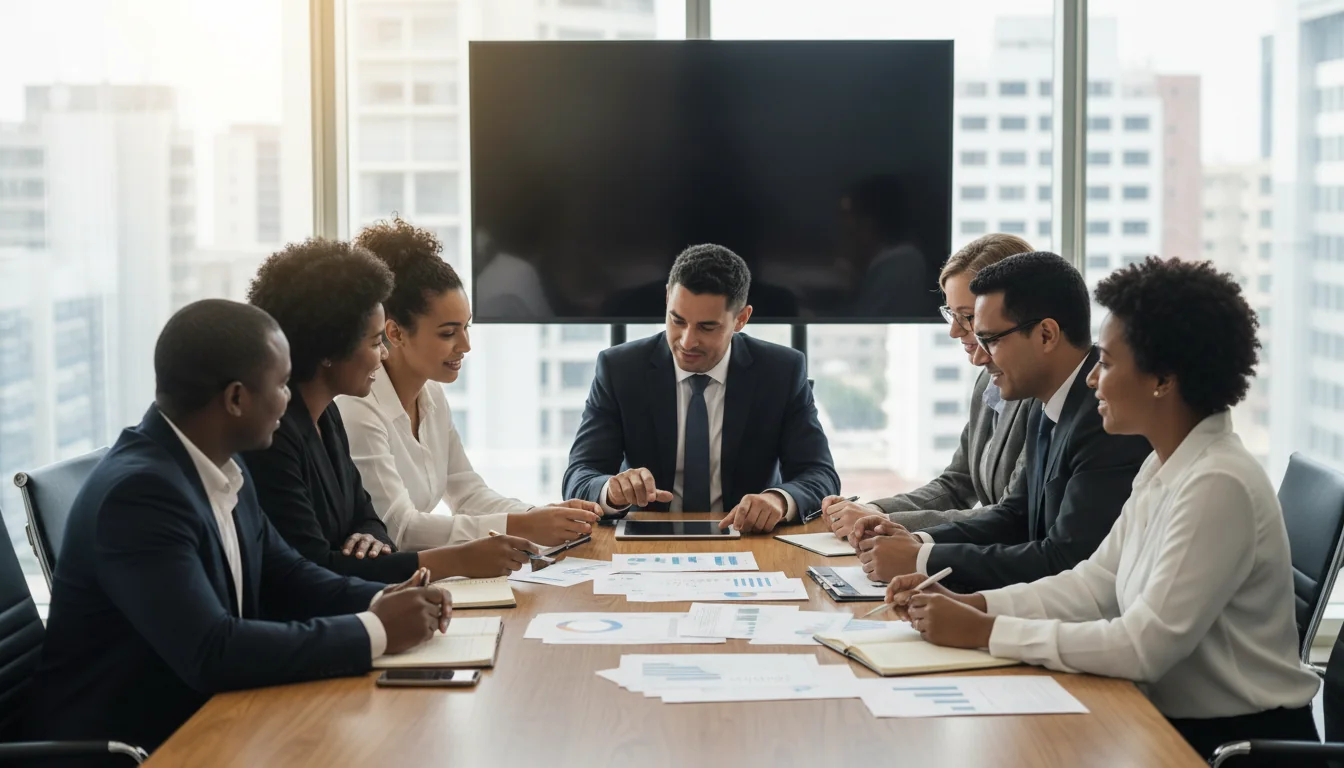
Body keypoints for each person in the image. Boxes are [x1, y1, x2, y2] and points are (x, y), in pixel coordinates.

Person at [885, 257, 1322, 763]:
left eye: (1108, 363)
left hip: (1228, 748)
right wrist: (979, 605)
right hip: (1165, 722)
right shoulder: (1166, 466)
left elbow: (1144, 647)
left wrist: (987, 632)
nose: (1092, 379)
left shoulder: (1217, 483)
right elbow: (1095, 583)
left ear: (1162, 378)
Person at [27, 300, 450, 760]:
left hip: (213, 718)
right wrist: (376, 631)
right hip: (139, 745)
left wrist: (377, 599)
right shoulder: (141, 495)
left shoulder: (221, 465)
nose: (289, 398)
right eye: (281, 385)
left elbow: (286, 573)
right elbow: (213, 651)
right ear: (235, 398)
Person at [849, 252, 1151, 591]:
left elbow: (1066, 560)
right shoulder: (1045, 401)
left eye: (990, 340)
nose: (979, 356)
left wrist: (921, 560)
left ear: (1046, 335)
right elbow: (1015, 516)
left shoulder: (1106, 420)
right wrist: (916, 539)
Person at [243, 238, 534, 582]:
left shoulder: (327, 416)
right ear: (327, 348)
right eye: (374, 341)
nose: (382, 354)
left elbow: (370, 520)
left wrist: (372, 535)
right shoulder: (284, 435)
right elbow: (315, 567)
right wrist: (455, 561)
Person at [337, 218, 601, 550]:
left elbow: (467, 493)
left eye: (466, 327)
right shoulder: (357, 407)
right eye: (448, 333)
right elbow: (400, 529)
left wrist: (540, 515)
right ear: (395, 333)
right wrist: (523, 525)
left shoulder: (430, 393)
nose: (465, 345)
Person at [562, 243, 840, 533]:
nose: (687, 341)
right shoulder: (619, 369)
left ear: (741, 319)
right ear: (668, 297)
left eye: (707, 327)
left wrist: (778, 501)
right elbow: (578, 477)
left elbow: (819, 475)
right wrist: (611, 491)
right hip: (647, 541)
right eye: (677, 320)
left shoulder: (781, 371)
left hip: (750, 540)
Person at [822, 233, 1034, 540]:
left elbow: (1009, 516)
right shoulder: (987, 381)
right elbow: (957, 484)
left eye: (967, 316)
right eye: (951, 314)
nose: (953, 331)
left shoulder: (1038, 392)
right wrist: (875, 511)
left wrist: (886, 522)